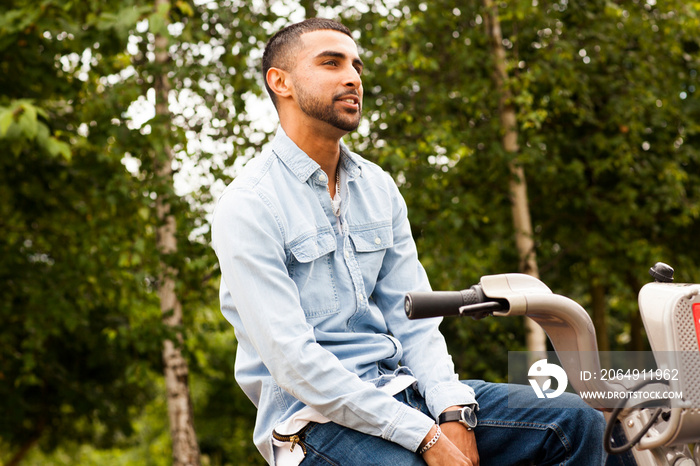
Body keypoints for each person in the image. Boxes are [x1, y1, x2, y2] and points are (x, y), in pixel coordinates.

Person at [212, 18, 608, 465]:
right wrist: (426, 437)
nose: (353, 77)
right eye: (331, 62)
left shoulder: (377, 187)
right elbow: (294, 364)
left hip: (404, 390)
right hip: (313, 421)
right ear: (279, 82)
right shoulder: (248, 205)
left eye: (357, 66)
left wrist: (452, 408)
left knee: (579, 423)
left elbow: (415, 321)